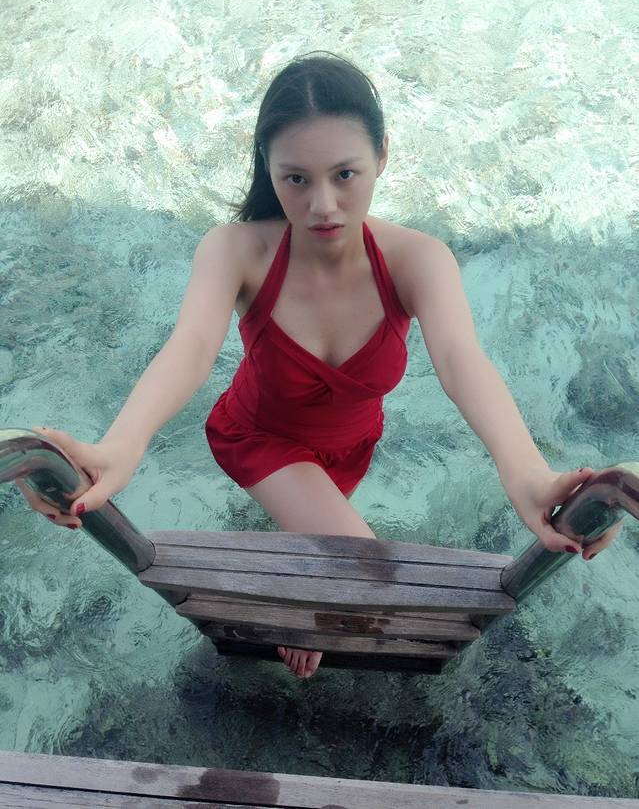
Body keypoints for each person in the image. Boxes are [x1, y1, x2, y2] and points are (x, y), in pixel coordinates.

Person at [17, 51, 621, 680]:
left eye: (344, 174)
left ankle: (303, 561)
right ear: (268, 169)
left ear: (382, 156)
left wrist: (526, 472)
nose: (323, 204)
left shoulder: (418, 260)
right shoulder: (236, 249)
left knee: (326, 553)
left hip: (350, 446)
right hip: (259, 435)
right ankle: (302, 590)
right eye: (296, 179)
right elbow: (191, 345)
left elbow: (461, 359)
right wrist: (121, 445)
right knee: (365, 578)